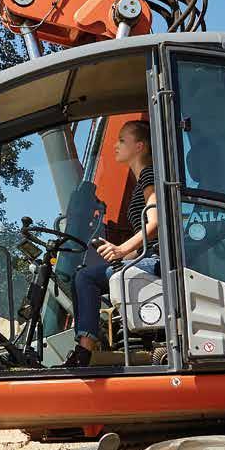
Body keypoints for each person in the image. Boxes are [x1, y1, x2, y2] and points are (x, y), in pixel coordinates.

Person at [65, 120, 159, 368]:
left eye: (121, 140)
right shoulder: (142, 179)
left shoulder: (149, 174)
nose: (115, 145)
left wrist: (121, 249)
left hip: (158, 262)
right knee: (83, 276)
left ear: (139, 146)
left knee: (85, 278)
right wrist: (123, 258)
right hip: (149, 257)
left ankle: (84, 352)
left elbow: (155, 222)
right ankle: (87, 346)